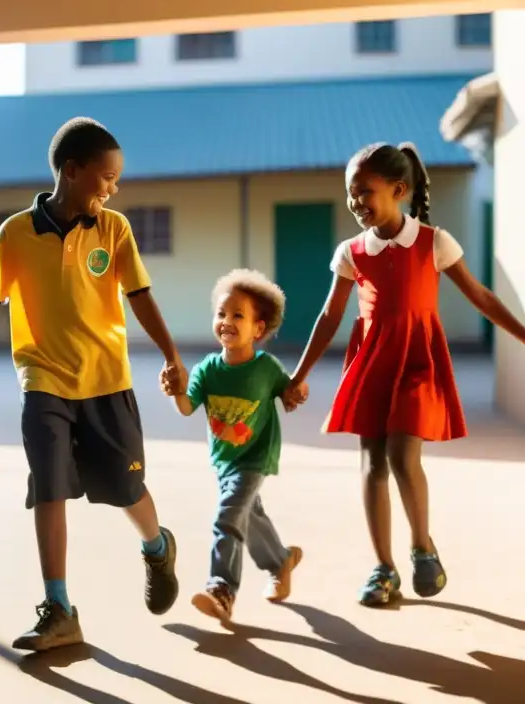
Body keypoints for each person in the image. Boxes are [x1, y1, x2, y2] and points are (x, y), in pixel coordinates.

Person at [0, 117, 184, 652]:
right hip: (43, 378)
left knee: (125, 488)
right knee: (49, 486)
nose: (112, 188)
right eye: (106, 177)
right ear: (72, 171)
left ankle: (157, 546)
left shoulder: (114, 229)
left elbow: (140, 296)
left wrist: (172, 356)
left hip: (105, 379)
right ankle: (59, 608)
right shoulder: (15, 232)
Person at [282, 142, 525, 607]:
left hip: (417, 360)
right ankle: (383, 568)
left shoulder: (435, 242)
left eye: (365, 193)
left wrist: (523, 335)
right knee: (372, 462)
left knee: (401, 454)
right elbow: (329, 317)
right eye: (351, 194)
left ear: (398, 190)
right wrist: (298, 376)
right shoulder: (351, 252)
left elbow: (481, 297)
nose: (356, 203)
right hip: (372, 361)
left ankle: (422, 546)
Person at [162, 269, 302, 624]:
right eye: (221, 313)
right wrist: (176, 388)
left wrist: (296, 392)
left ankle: (222, 588)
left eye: (237, 315)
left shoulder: (266, 368)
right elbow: (185, 407)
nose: (226, 321)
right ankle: (280, 561)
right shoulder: (207, 369)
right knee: (248, 515)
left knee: (228, 517)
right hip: (224, 459)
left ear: (258, 328)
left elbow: (290, 393)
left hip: (254, 457)